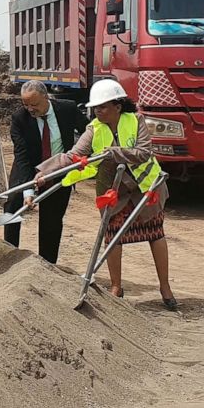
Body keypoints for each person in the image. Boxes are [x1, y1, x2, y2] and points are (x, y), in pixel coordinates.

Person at [35, 79, 176, 309]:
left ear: (117, 106)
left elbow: (143, 152)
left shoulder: (136, 120)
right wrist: (46, 172)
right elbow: (73, 156)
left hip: (144, 188)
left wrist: (115, 153)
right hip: (115, 190)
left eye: (102, 107)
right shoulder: (94, 129)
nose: (97, 111)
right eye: (95, 108)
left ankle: (165, 287)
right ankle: (116, 286)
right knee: (111, 235)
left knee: (155, 233)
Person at [3, 80, 87, 263]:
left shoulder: (67, 109)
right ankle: (9, 258)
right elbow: (22, 156)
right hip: (29, 166)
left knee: (52, 219)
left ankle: (47, 264)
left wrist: (80, 156)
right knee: (13, 207)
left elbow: (89, 131)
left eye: (34, 104)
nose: (30, 109)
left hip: (58, 169)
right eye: (26, 105)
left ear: (46, 98)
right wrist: (28, 191)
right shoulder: (19, 119)